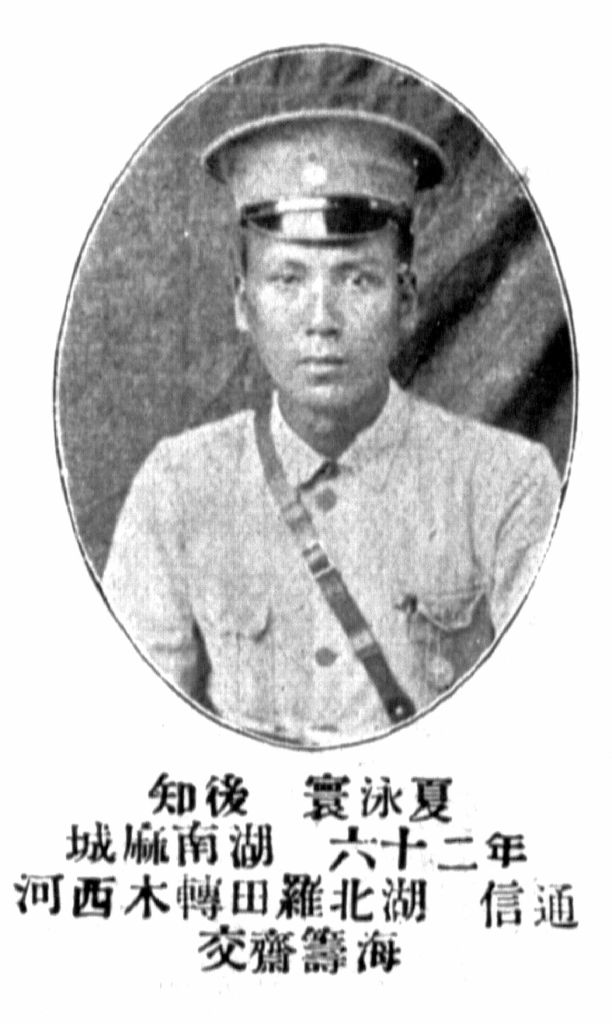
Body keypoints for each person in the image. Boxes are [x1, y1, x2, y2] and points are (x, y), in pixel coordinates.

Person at [103, 109, 560, 746]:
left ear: (407, 300)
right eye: (287, 279)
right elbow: (131, 728)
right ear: (243, 303)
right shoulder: (178, 486)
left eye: (358, 279)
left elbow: (545, 726)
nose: (321, 319)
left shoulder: (506, 484)